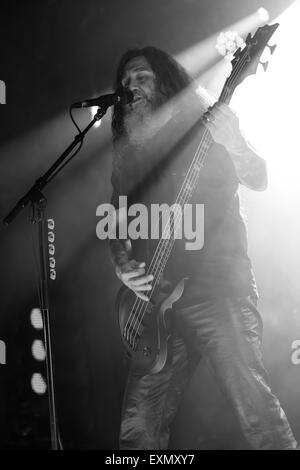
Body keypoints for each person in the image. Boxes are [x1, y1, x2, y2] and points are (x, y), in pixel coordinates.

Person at [109, 46, 298, 450]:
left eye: (141, 77)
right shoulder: (129, 153)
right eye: (125, 82)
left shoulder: (205, 123)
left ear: (165, 79)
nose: (131, 87)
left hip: (218, 289)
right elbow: (115, 218)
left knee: (256, 410)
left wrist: (236, 143)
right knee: (138, 431)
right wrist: (121, 262)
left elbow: (259, 176)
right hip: (158, 306)